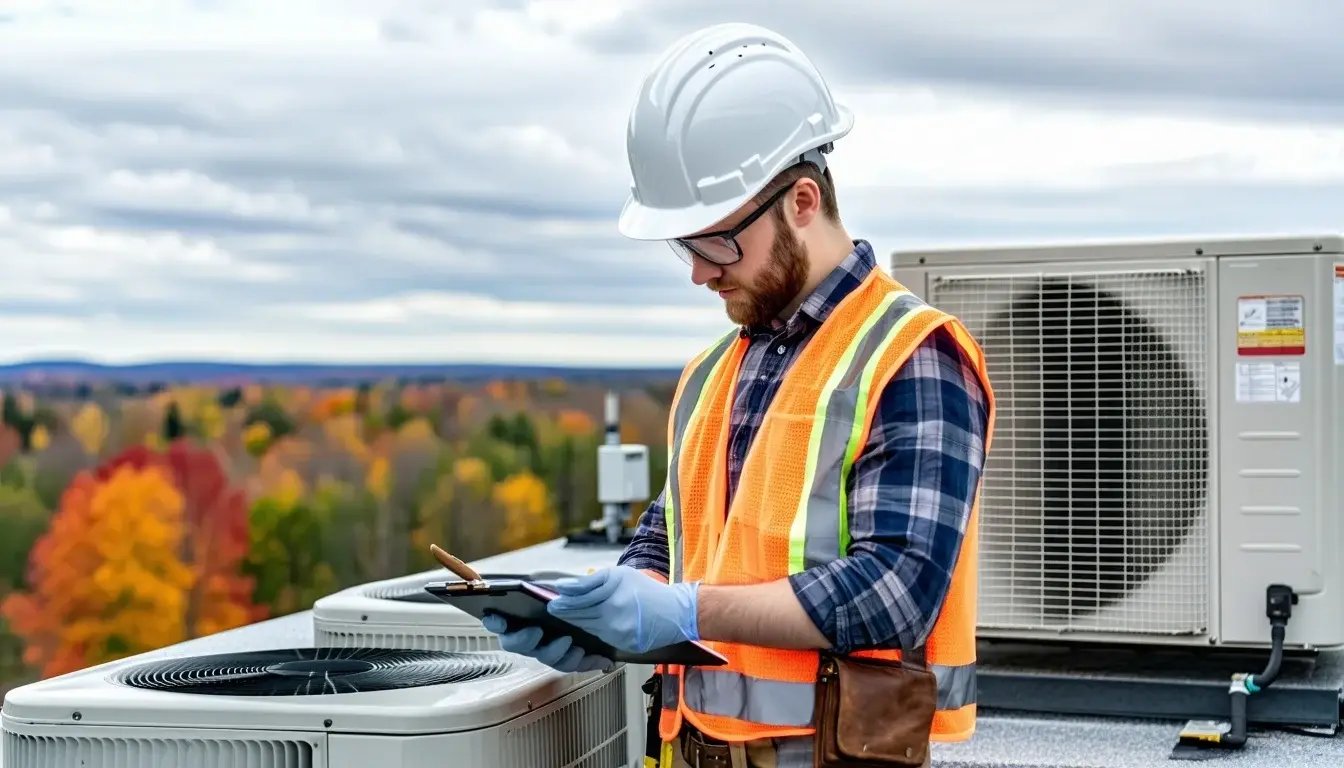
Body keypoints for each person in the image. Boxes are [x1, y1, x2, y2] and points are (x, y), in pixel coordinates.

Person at [481, 22, 995, 768]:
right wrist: (602, 614)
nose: (699, 272)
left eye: (718, 241)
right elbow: (676, 538)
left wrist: (688, 610)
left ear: (802, 201)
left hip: (829, 751)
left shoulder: (912, 356)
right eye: (685, 246)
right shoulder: (713, 371)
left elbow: (898, 589)